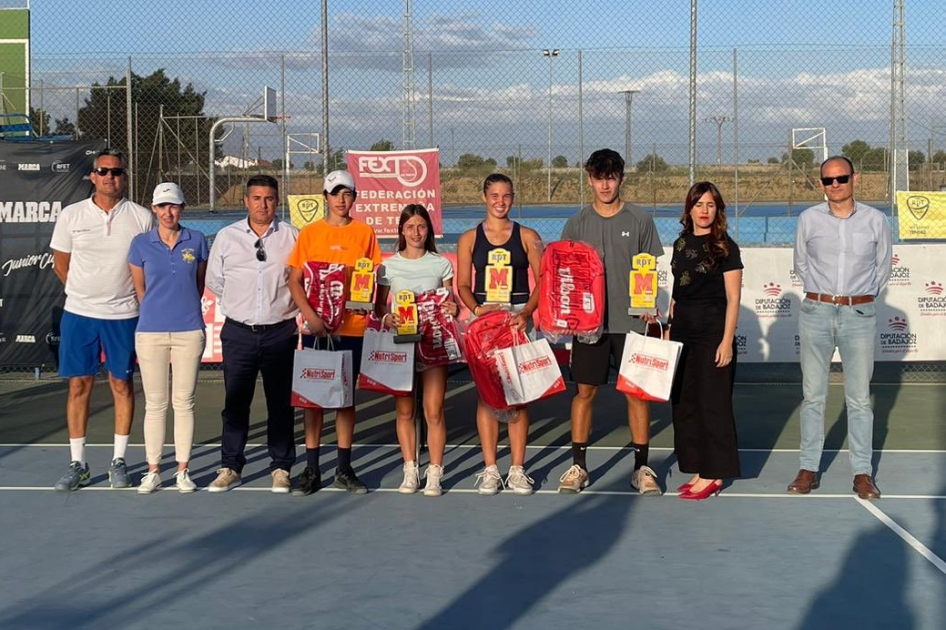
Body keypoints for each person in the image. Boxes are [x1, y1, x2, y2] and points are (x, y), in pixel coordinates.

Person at [557, 148, 664, 495]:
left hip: (631, 322)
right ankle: (579, 466)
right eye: (599, 178)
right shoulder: (577, 223)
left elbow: (651, 271)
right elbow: (568, 276)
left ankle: (642, 468)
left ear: (621, 179)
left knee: (636, 395)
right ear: (590, 180)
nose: (605, 185)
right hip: (590, 326)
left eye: (611, 177)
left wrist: (650, 305)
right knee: (584, 392)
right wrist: (570, 314)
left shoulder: (640, 221)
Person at [50, 149, 154, 491]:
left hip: (124, 316)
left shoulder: (141, 217)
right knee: (79, 385)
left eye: (116, 171)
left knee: (122, 386)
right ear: (92, 176)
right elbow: (60, 264)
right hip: (79, 315)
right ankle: (77, 463)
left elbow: (146, 268)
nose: (110, 176)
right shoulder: (71, 216)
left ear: (124, 176)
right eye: (103, 171)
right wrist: (84, 295)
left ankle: (118, 460)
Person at [790, 156, 892, 500]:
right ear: (821, 184)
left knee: (860, 399)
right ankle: (808, 469)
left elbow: (882, 268)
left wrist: (858, 299)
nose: (835, 185)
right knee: (813, 395)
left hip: (859, 315)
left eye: (841, 178)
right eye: (828, 180)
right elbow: (801, 263)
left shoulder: (876, 220)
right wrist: (824, 297)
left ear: (855, 178)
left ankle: (862, 473)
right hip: (816, 311)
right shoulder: (808, 220)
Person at [286, 170, 382, 496]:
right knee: (312, 400)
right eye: (336, 193)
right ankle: (311, 469)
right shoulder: (310, 233)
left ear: (355, 197)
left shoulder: (364, 233)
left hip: (352, 329)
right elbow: (294, 281)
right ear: (325, 196)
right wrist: (311, 317)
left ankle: (343, 468)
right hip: (316, 330)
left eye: (348, 193)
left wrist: (370, 307)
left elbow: (372, 281)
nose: (342, 200)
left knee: (345, 398)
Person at [205, 175, 299, 493]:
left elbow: (300, 281)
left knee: (281, 404)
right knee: (235, 403)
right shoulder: (227, 237)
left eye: (269, 198)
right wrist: (241, 304)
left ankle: (281, 467)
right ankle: (231, 465)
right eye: (256, 198)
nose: (263, 204)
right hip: (239, 332)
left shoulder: (291, 236)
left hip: (281, 332)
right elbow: (215, 281)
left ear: (277, 201)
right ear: (245, 201)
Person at [456, 173, 542, 495]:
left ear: (513, 198)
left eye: (506, 196)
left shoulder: (527, 236)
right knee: (487, 396)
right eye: (494, 195)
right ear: (484, 197)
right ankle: (490, 468)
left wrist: (526, 313)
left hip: (516, 320)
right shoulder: (469, 239)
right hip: (485, 323)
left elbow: (543, 279)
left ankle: (517, 469)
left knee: (517, 396)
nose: (500, 201)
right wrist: (478, 311)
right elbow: (463, 285)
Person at [128, 183, 209, 494]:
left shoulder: (197, 241)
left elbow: (198, 285)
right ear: (154, 209)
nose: (168, 212)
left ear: (183, 208)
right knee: (155, 404)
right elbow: (141, 290)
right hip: (150, 332)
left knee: (184, 402)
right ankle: (153, 470)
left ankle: (183, 471)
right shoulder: (140, 244)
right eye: (162, 206)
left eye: (173, 206)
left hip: (189, 330)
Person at [665, 182, 743, 500]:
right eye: (699, 204)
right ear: (690, 209)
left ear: (718, 209)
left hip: (712, 330)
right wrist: (670, 327)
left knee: (713, 403)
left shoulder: (725, 246)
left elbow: (734, 298)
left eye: (710, 205)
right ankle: (698, 468)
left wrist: (726, 341)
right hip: (682, 328)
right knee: (686, 401)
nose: (704, 210)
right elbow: (677, 291)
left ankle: (714, 474)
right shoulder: (681, 243)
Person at [375, 204, 458, 497]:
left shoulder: (441, 264)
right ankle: (410, 470)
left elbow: (451, 302)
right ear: (401, 231)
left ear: (429, 230)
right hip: (402, 346)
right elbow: (378, 308)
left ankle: (434, 472)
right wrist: (388, 318)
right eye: (410, 227)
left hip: (433, 343)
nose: (416, 233)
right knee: (405, 410)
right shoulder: (388, 266)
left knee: (434, 411)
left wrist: (454, 307)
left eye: (421, 226)